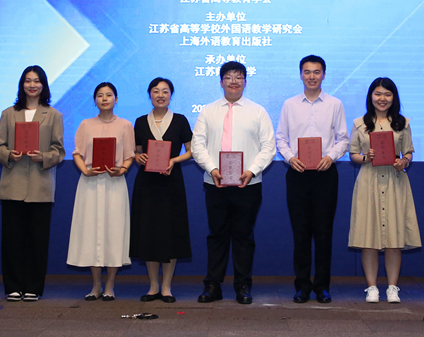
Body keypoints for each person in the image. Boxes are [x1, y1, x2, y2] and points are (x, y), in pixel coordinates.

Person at [192, 61, 276, 305]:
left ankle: (243, 285)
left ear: (245, 82)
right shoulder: (208, 111)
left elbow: (269, 147)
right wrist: (212, 169)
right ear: (221, 82)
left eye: (238, 77)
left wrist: (252, 170)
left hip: (247, 184)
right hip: (215, 183)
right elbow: (197, 145)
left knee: (243, 236)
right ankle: (212, 286)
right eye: (228, 77)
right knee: (217, 235)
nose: (233, 81)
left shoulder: (258, 111)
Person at [276, 55, 349, 304]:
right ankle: (302, 286)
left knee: (324, 232)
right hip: (297, 174)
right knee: (301, 233)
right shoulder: (289, 105)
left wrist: (331, 156)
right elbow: (281, 138)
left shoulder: (335, 104)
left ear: (324, 75)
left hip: (324, 174)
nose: (311, 76)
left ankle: (322, 287)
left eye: (316, 72)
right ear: (300, 75)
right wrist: (289, 158)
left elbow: (343, 139)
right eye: (307, 72)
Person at [0, 65, 65, 302]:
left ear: (43, 85)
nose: (32, 85)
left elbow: (59, 150)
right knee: (12, 239)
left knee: (37, 239)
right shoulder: (8, 114)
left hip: (40, 185)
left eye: (37, 81)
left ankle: (34, 287)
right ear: (21, 84)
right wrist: (8, 155)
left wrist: (43, 156)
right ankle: (13, 286)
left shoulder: (53, 115)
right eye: (27, 81)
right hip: (13, 184)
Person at [348, 77, 420, 303]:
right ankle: (371, 287)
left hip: (394, 181)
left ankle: (392, 287)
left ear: (393, 97)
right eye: (378, 93)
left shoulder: (402, 123)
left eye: (387, 94)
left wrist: (403, 161)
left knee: (394, 237)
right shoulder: (360, 123)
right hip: (368, 181)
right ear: (371, 96)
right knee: (368, 237)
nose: (382, 98)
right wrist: (365, 157)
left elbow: (408, 152)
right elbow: (353, 153)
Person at [67, 82, 136, 301]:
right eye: (100, 95)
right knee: (91, 232)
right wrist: (85, 171)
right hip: (90, 183)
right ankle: (96, 285)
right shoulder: (85, 124)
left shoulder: (125, 125)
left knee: (114, 232)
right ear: (95, 100)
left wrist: (121, 170)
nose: (104, 98)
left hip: (115, 183)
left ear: (116, 99)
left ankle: (110, 286)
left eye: (108, 95)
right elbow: (77, 153)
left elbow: (130, 155)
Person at [130, 77, 194, 303]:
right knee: (148, 232)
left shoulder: (180, 120)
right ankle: (153, 286)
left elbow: (192, 151)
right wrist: (138, 157)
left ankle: (166, 287)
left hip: (171, 182)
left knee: (170, 233)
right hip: (147, 183)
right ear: (150, 95)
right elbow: (136, 151)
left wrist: (174, 160)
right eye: (156, 91)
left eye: (165, 91)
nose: (160, 95)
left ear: (171, 95)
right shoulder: (140, 122)